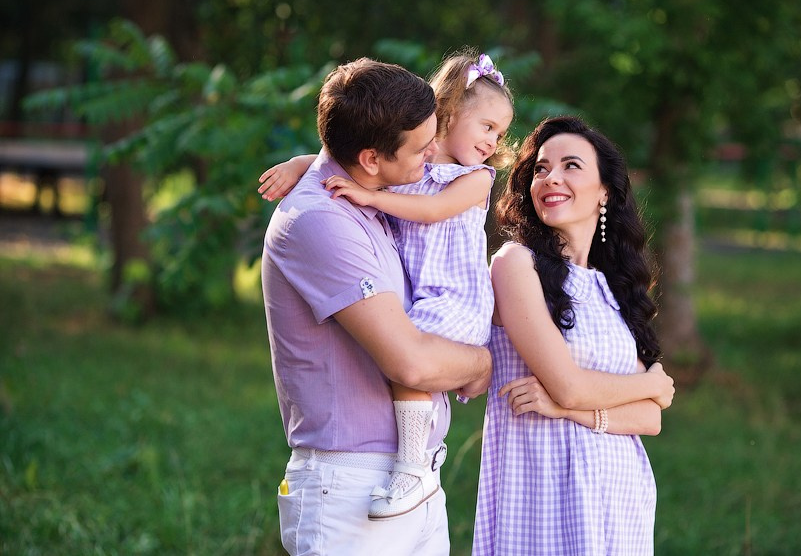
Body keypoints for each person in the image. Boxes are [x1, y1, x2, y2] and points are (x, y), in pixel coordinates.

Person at [259, 50, 514, 521]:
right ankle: (411, 464)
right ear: (372, 159)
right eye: (422, 146)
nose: (427, 155)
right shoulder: (322, 218)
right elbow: (411, 363)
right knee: (412, 360)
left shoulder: (452, 179)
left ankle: (417, 465)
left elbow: (430, 206)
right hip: (354, 479)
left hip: (452, 297)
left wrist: (355, 186)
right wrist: (479, 364)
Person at [472, 116, 675, 555]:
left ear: (605, 192)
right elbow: (569, 384)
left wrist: (570, 410)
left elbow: (649, 419)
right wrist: (651, 385)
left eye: (571, 166)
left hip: (620, 497)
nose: (551, 178)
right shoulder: (515, 265)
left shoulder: (612, 287)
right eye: (541, 169)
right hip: (544, 490)